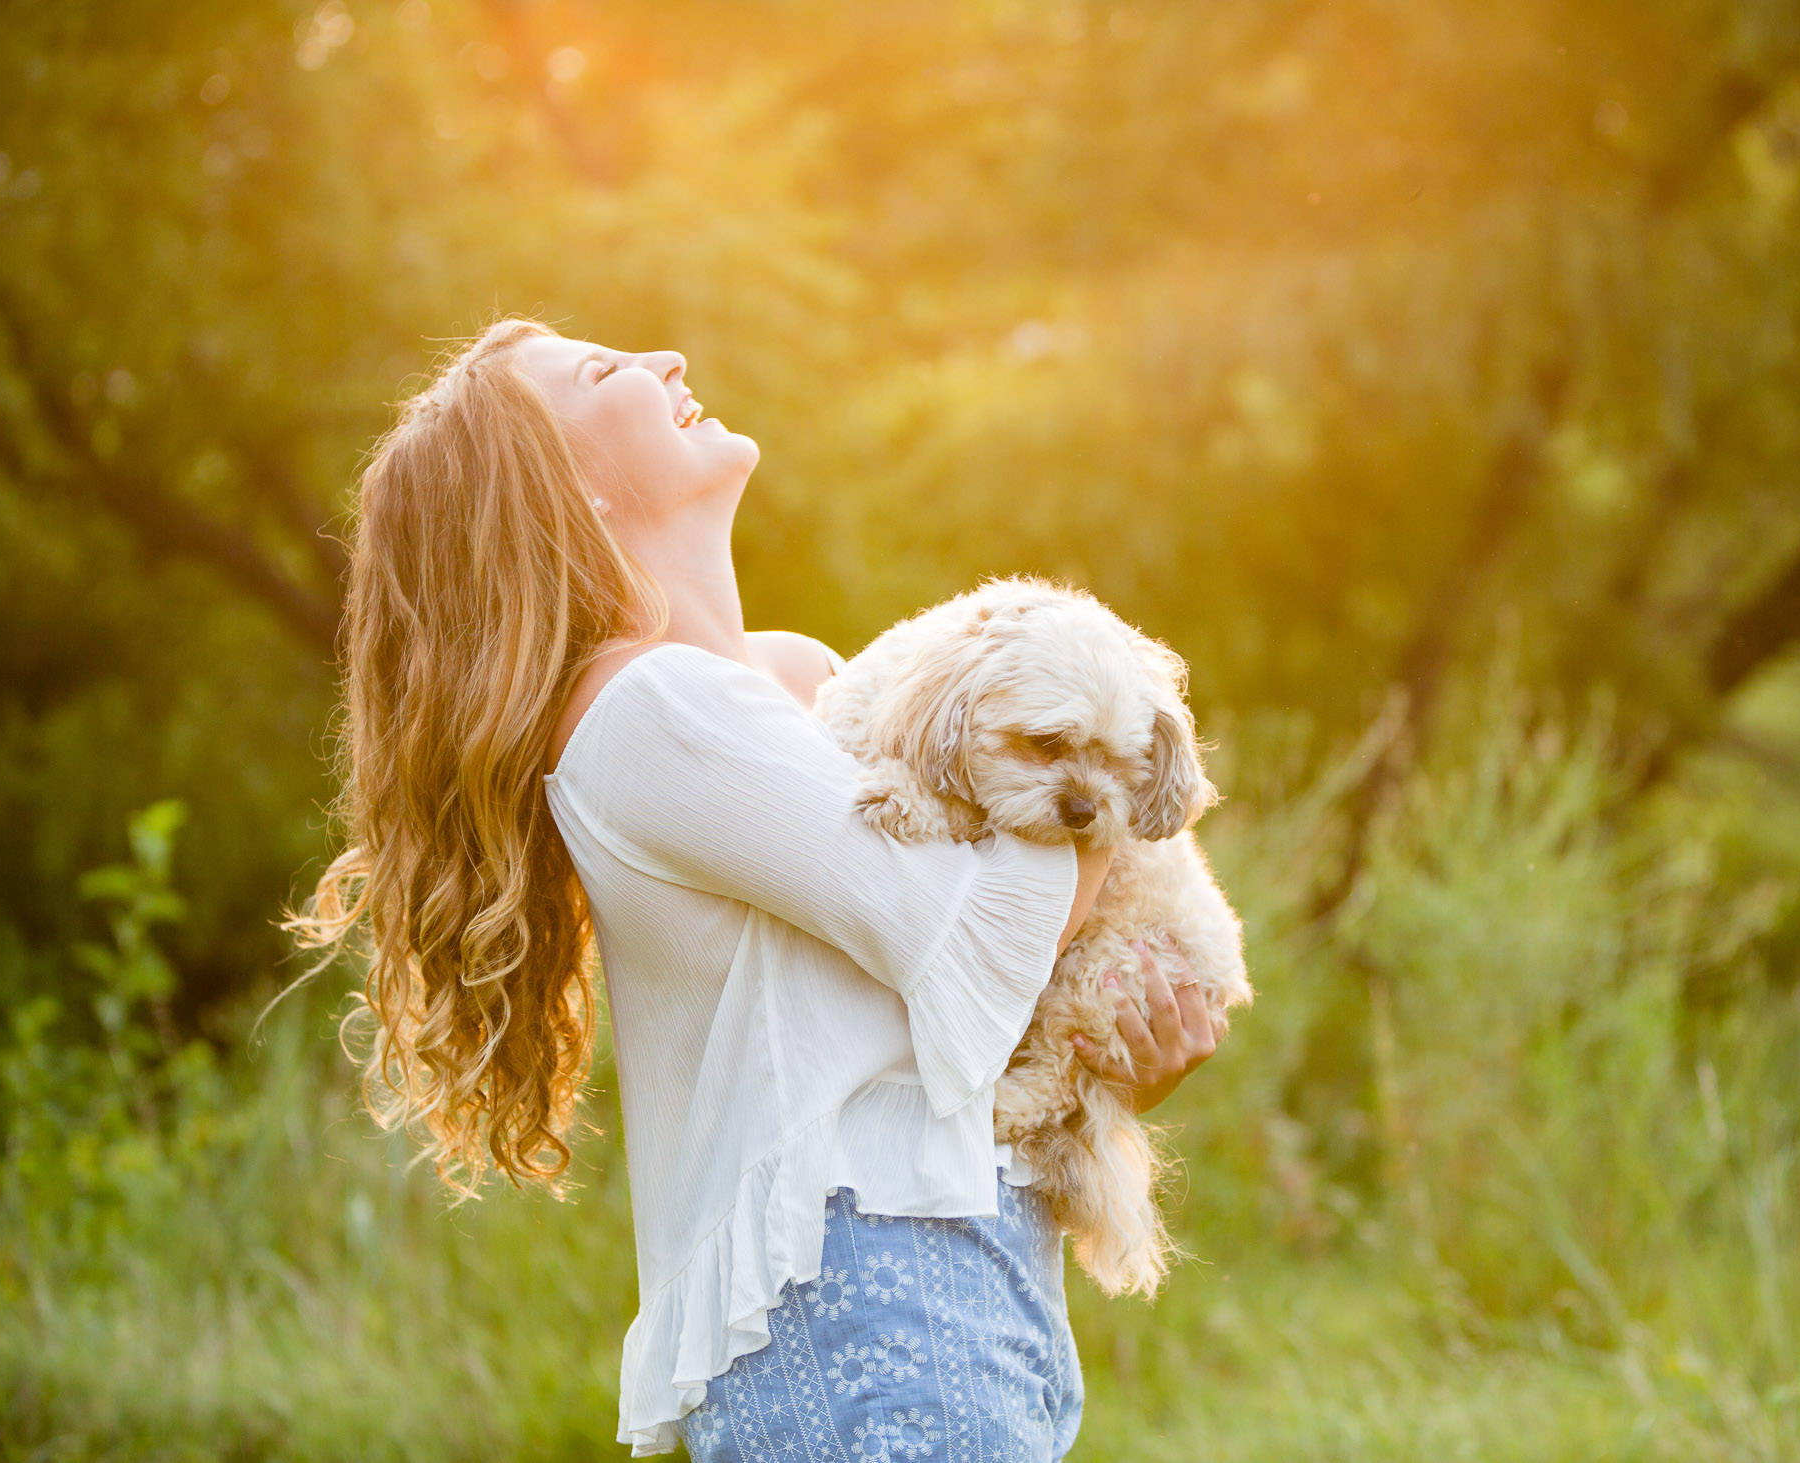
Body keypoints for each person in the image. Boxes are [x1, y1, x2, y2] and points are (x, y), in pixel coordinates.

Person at [292, 318, 1221, 1459]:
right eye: (603, 372)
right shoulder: (655, 710)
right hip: (863, 1308)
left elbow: (931, 1024)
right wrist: (1108, 732)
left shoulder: (803, 681)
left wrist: (1120, 1046)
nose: (664, 361)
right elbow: (981, 933)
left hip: (968, 1285)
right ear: (569, 494)